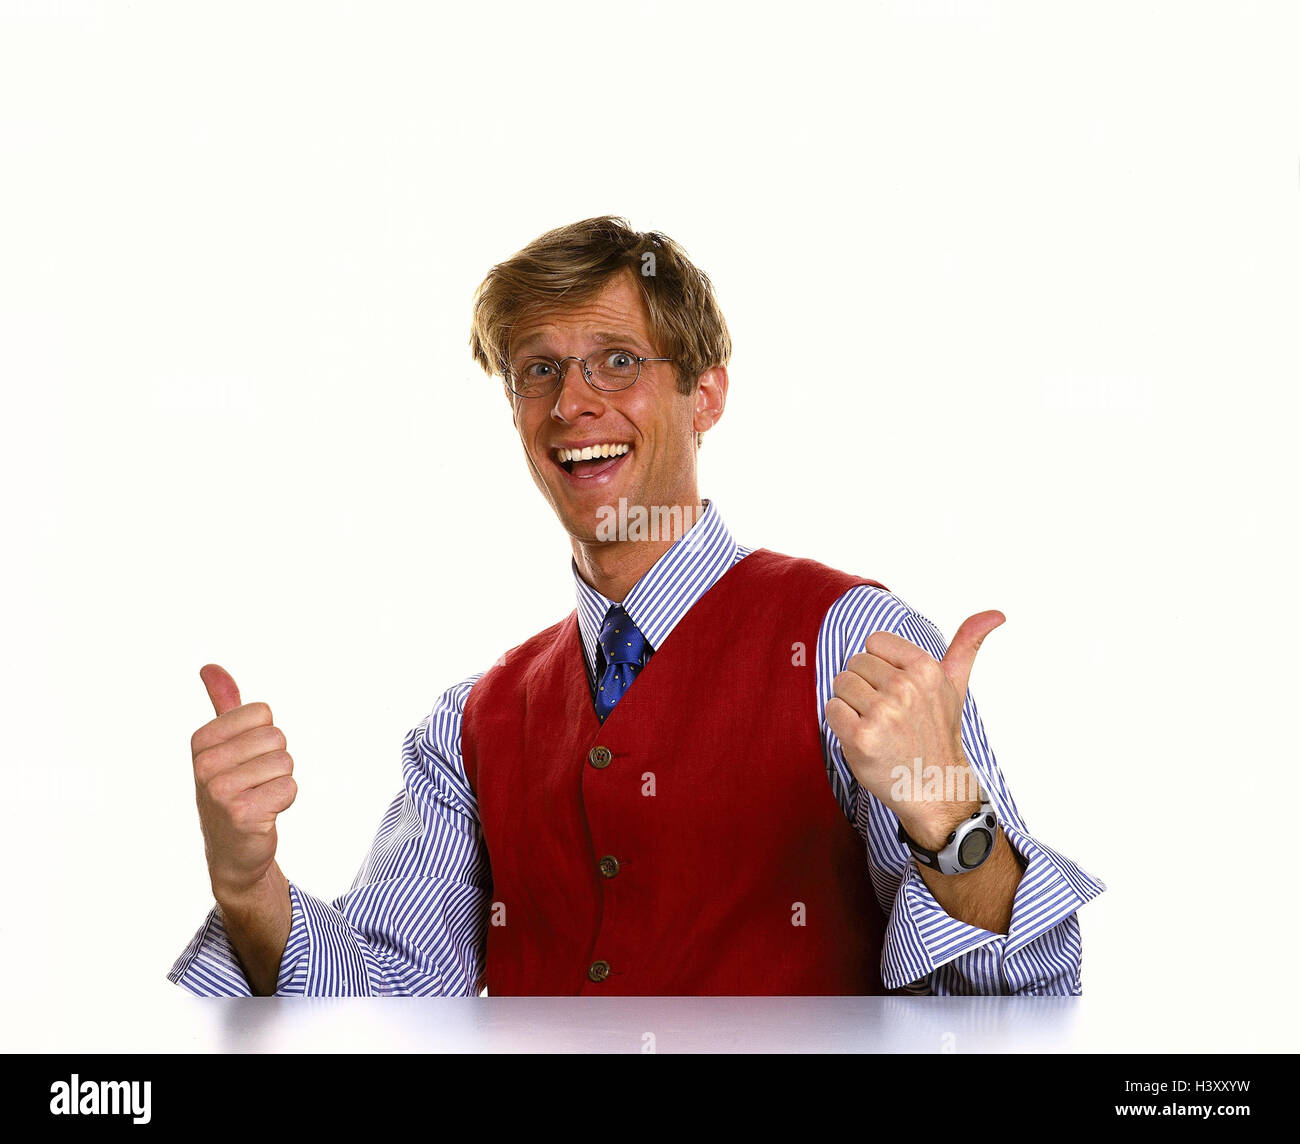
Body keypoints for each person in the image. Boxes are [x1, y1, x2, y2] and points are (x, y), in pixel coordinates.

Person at [170, 216, 1104, 997]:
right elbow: (392, 1010)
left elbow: (1026, 1007)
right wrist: (251, 888)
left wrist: (948, 816)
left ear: (706, 395)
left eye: (617, 361)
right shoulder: (469, 724)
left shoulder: (851, 643)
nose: (572, 401)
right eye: (537, 370)